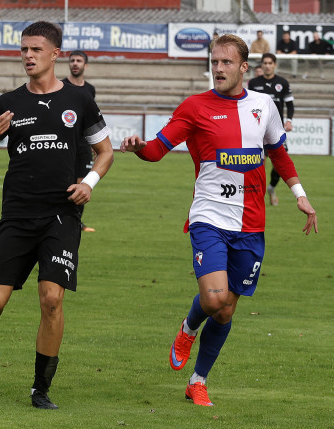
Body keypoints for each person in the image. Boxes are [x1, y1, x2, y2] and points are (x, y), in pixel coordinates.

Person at [120, 34, 318, 407]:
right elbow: (158, 149)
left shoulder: (264, 105)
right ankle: (187, 328)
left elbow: (279, 153)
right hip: (209, 217)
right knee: (213, 299)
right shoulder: (195, 107)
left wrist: (300, 195)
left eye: (226, 63)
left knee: (227, 309)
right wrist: (138, 148)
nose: (218, 69)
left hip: (251, 223)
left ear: (244, 67)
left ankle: (198, 381)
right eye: (214, 62)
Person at [0, 21, 114, 410]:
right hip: (16, 216)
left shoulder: (80, 101)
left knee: (51, 299)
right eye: (24, 49)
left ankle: (40, 388)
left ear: (54, 54)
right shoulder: (8, 103)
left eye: (36, 49)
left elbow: (105, 152)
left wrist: (89, 182)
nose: (27, 55)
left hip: (61, 215)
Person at [247, 52, 294, 207]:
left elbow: (289, 104)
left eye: (270, 63)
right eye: (264, 63)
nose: (267, 66)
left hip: (276, 131)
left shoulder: (283, 82)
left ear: (274, 65)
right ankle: (256, 197)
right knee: (259, 165)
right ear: (261, 65)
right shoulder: (253, 83)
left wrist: (289, 121)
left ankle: (271, 188)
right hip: (258, 131)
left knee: (280, 167)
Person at [62, 50, 97, 233]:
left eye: (79, 61)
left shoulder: (90, 89)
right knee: (65, 182)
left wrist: (94, 143)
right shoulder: (61, 85)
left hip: (83, 145)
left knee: (82, 184)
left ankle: (76, 222)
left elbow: (90, 119)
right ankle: (61, 219)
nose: (75, 63)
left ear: (85, 65)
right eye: (72, 60)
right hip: (65, 144)